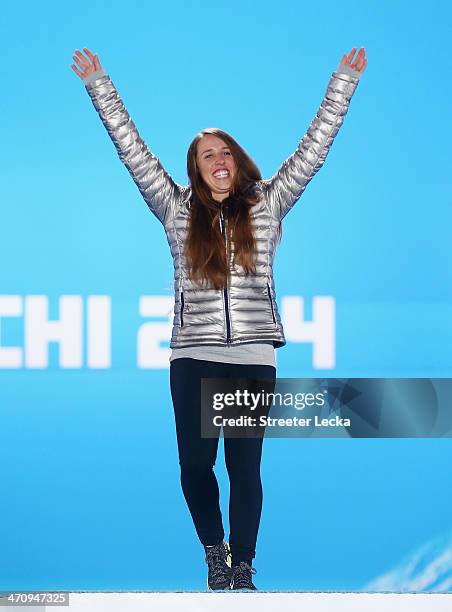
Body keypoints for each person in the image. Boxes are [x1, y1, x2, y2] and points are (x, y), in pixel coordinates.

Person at [71, 46, 367, 591]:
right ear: (195, 168)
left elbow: (313, 150)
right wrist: (100, 87)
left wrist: (343, 82)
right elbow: (132, 151)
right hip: (194, 355)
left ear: (238, 159)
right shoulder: (174, 209)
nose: (217, 158)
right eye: (206, 154)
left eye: (224, 150)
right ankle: (215, 552)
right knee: (194, 465)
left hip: (252, 356)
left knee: (245, 468)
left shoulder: (268, 205)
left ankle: (244, 566)